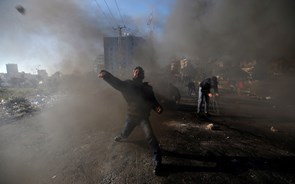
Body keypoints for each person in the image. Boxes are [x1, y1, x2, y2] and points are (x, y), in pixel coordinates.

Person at [98, 66, 164, 175]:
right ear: (133, 74)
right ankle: (122, 137)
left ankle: (158, 161)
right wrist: (107, 76)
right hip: (131, 116)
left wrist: (158, 108)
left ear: (143, 75)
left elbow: (152, 101)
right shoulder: (128, 84)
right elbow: (117, 83)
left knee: (150, 137)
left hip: (143, 117)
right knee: (125, 132)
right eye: (136, 72)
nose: (137, 73)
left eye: (140, 72)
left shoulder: (148, 88)